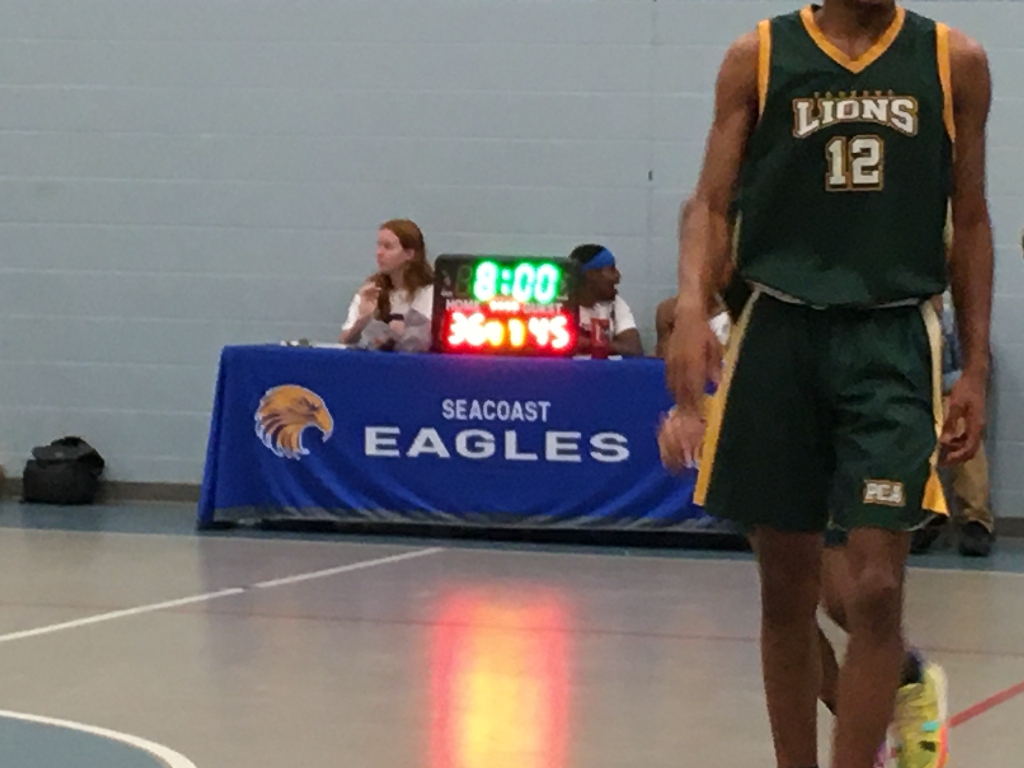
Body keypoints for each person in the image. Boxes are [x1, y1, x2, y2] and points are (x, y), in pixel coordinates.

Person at [660, 2, 993, 768]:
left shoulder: (954, 61)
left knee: (875, 587)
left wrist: (973, 367)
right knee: (787, 587)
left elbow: (971, 219)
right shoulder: (759, 54)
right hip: (778, 328)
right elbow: (709, 201)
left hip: (891, 335)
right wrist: (690, 306)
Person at [913, 293, 995, 557]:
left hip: (947, 395)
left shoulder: (954, 328)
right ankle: (925, 510)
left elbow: (968, 372)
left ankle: (975, 519)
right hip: (915, 398)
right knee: (908, 428)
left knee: (959, 423)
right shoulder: (904, 330)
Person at [339, 219, 434, 349]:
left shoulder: (430, 293)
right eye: (378, 246)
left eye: (388, 247)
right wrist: (362, 320)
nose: (379, 253)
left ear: (409, 254)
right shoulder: (370, 292)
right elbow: (344, 341)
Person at [569, 244, 644, 357]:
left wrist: (589, 344)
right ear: (591, 274)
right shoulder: (562, 305)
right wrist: (611, 346)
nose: (618, 276)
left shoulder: (616, 304)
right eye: (612, 269)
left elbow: (633, 348)